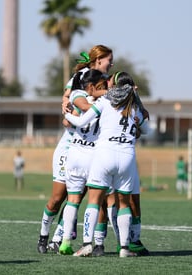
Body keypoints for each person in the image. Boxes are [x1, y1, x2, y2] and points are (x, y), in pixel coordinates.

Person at [37, 45, 113, 253]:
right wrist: (69, 112)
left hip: (94, 150)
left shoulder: (108, 84)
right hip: (71, 146)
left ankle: (76, 241)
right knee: (58, 198)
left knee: (94, 198)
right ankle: (45, 236)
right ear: (98, 61)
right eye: (109, 60)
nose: (112, 64)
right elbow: (69, 101)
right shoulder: (82, 79)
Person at [64, 82, 148, 257]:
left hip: (104, 155)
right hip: (127, 158)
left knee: (94, 200)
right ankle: (124, 248)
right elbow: (145, 129)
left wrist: (66, 114)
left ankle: (87, 244)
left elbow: (80, 121)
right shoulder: (135, 108)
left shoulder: (104, 101)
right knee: (124, 203)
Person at [58, 69, 108, 255]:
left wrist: (69, 114)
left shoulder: (78, 96)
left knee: (73, 199)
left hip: (75, 153)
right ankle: (92, 242)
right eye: (102, 82)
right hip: (93, 156)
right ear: (93, 85)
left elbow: (70, 119)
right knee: (96, 201)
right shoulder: (105, 100)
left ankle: (65, 242)